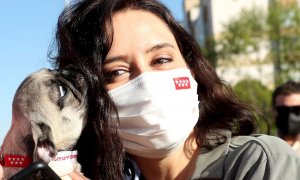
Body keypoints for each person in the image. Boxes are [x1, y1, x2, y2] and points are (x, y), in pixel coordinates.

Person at [50, 0, 300, 179]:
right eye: (116, 72)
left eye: (161, 60)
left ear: (191, 70)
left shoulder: (255, 162)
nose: (147, 82)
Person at [272, 81, 300, 154]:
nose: (290, 116)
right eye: (283, 110)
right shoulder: (263, 149)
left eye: (296, 110)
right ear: (274, 110)